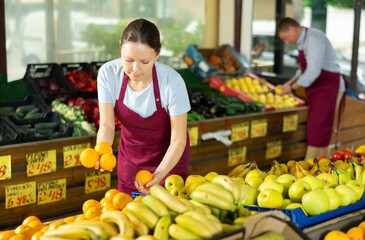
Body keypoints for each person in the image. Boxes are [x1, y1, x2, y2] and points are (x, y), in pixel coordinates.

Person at [95, 18, 191, 195]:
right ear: (120, 48)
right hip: (130, 161)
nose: (135, 69)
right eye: (128, 60)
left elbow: (178, 140)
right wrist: (102, 151)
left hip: (168, 162)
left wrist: (160, 175)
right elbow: (107, 126)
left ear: (157, 54)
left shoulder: (172, 81)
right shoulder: (108, 74)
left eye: (144, 62)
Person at [276, 17, 347, 160]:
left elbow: (313, 72)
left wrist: (291, 89)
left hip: (329, 88)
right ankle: (323, 164)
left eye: (285, 38)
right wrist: (288, 84)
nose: (286, 42)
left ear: (292, 29)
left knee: (319, 129)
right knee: (316, 128)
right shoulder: (303, 41)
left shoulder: (314, 39)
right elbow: (303, 71)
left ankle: (312, 165)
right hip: (317, 89)